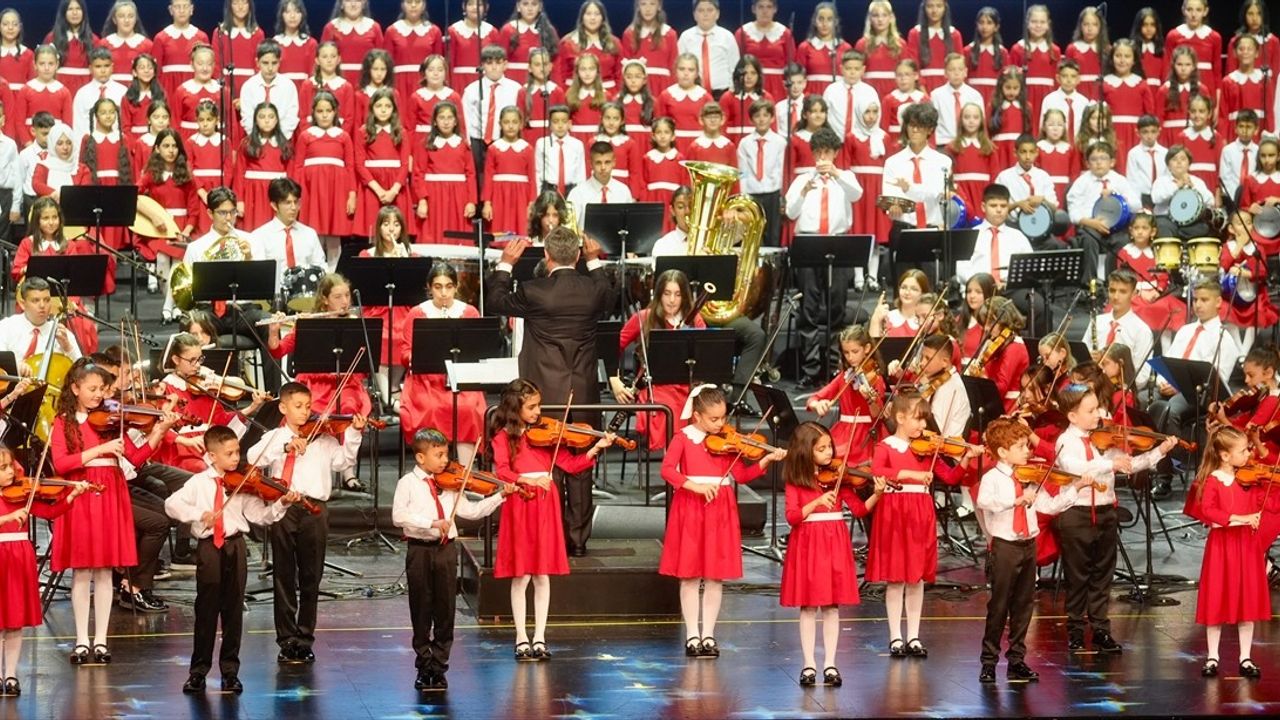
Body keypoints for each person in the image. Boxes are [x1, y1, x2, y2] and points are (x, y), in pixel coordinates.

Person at [487, 227, 615, 556]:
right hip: (583, 390)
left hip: (544, 392)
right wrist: (595, 261)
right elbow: (609, 293)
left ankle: (552, 536)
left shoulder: (534, 291)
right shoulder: (593, 289)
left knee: (550, 463)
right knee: (582, 463)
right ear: (576, 255)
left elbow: (497, 302)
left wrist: (505, 264)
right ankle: (578, 541)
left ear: (546, 256)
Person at [51, 363, 180, 665]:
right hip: (82, 493)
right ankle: (82, 639)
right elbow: (61, 464)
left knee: (105, 570)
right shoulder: (64, 421)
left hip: (110, 492)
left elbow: (135, 457)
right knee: (82, 570)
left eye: (102, 390)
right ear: (75, 389)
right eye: (92, 389)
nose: (99, 396)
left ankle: (101, 640)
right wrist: (101, 449)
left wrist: (159, 429)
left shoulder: (113, 421)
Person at [166, 425, 299, 695]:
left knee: (233, 610)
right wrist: (199, 514)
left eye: (237, 451)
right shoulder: (199, 482)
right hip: (209, 547)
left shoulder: (241, 482)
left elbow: (261, 516)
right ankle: (198, 672)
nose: (236, 458)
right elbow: (171, 504)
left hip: (235, 546)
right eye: (229, 454)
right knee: (206, 610)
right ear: (212, 456)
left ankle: (230, 672)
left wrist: (281, 504)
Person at [489, 379, 614, 660]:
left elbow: (569, 464)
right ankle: (521, 636)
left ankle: (540, 637)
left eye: (538, 406)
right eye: (532, 407)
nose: (538, 412)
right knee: (521, 575)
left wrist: (594, 449)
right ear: (514, 407)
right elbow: (502, 472)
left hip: (545, 504)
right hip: (521, 502)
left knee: (542, 574)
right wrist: (525, 480)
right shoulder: (503, 438)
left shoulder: (543, 436)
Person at [661, 384, 785, 658]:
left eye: (723, 418)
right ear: (697, 416)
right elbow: (667, 470)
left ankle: (709, 635)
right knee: (690, 575)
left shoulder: (728, 442)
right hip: (692, 506)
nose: (721, 424)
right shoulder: (683, 438)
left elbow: (740, 476)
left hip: (720, 507)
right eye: (713, 419)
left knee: (715, 576)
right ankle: (692, 634)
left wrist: (765, 461)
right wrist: (693, 486)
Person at [246, 382, 366, 664]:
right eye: (298, 407)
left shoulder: (323, 439)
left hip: (314, 510)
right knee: (284, 574)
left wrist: (354, 433)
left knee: (311, 576)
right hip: (284, 507)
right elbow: (252, 458)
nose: (305, 413)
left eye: (308, 407)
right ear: (283, 408)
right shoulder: (275, 436)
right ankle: (286, 639)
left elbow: (343, 461)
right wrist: (286, 446)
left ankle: (305, 636)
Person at [1054, 382, 1176, 652]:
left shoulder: (1105, 438)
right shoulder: (1066, 441)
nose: (1098, 414)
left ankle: (1100, 629)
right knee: (1078, 576)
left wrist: (1158, 452)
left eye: (1098, 407)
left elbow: (1130, 465)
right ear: (1073, 416)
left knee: (1102, 575)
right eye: (1091, 410)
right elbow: (1077, 468)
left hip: (1106, 512)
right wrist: (1110, 463)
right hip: (1077, 514)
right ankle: (1075, 629)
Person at [393, 428, 513, 691]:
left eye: (446, 454)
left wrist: (499, 496)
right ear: (421, 458)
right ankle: (423, 666)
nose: (445, 460)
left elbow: (471, 511)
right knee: (421, 609)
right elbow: (399, 516)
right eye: (438, 455)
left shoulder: (449, 484)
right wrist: (431, 523)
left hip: (446, 551)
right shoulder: (408, 484)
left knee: (445, 610)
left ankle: (439, 667)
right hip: (420, 551)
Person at [977, 418, 1090, 683]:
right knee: (999, 606)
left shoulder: (1029, 478)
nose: (1028, 451)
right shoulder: (992, 478)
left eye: (1027, 446)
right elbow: (985, 502)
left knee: (1024, 605)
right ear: (1003, 452)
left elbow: (1050, 506)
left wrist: (1074, 489)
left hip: (1029, 546)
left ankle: (1017, 660)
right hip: (1005, 547)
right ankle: (989, 661)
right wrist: (1015, 500)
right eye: (1020, 447)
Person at [869, 390, 978, 658]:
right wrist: (909, 473)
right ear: (900, 417)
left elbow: (950, 478)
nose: (923, 426)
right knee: (896, 579)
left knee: (916, 577)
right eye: (918, 420)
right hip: (895, 512)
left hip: (920, 512)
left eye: (925, 420)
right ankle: (895, 636)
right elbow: (878, 471)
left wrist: (965, 458)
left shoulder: (928, 449)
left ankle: (914, 636)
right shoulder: (885, 446)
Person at [781, 421, 883, 686]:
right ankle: (808, 665)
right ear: (806, 451)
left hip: (833, 542)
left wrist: (878, 493)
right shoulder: (795, 481)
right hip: (807, 542)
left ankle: (830, 664)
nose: (829, 453)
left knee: (831, 606)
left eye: (830, 447)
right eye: (822, 449)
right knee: (808, 606)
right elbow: (792, 517)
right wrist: (815, 501)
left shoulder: (839, 478)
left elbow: (860, 510)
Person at [0, 444, 91, 697]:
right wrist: (7, 519)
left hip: (18, 556)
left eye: (10, 466)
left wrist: (71, 496)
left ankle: (10, 675)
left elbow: (51, 510)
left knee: (14, 622)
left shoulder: (20, 494)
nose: (11, 472)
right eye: (3, 468)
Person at [1189, 426, 1275, 679]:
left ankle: (1245, 657)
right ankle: (1212, 656)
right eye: (1243, 450)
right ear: (1225, 456)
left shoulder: (1251, 480)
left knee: (1246, 601)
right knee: (1217, 598)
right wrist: (1241, 517)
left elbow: (1269, 503)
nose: (1249, 453)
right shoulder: (1214, 480)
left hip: (1246, 547)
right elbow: (1209, 512)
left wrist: (1272, 488)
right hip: (1222, 547)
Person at [784, 127, 863, 387]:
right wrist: (805, 190)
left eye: (827, 153)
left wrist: (837, 174)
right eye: (818, 153)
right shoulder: (801, 180)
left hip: (838, 242)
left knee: (836, 309)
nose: (822, 158)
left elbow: (857, 194)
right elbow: (792, 212)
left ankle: (833, 368)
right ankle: (811, 368)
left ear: (835, 153)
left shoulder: (845, 177)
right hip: (808, 242)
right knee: (808, 309)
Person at [398, 263, 485, 467]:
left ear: (456, 287)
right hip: (426, 380)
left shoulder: (469, 311)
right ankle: (433, 472)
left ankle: (465, 475)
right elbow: (405, 352)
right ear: (430, 288)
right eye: (438, 287)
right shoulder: (418, 313)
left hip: (460, 379)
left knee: (468, 409)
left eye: (448, 286)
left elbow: (478, 349)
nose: (444, 293)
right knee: (431, 408)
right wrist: (416, 358)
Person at [1081, 270, 1155, 388]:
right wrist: (1089, 358)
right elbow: (1081, 359)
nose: (1116, 297)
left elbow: (1141, 377)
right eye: (1112, 290)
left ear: (1134, 293)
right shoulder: (1097, 321)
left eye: (1123, 292)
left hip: (1121, 390)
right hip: (1090, 384)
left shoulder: (1142, 331)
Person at [0, 276, 81, 366]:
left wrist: (68, 348)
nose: (42, 305)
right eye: (36, 300)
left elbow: (81, 370)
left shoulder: (61, 333)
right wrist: (17, 367)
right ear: (22, 304)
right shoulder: (6, 327)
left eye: (46, 300)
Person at [238, 40, 299, 140]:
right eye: (265, 63)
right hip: (255, 141)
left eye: (274, 63)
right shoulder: (249, 86)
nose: (270, 68)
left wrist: (277, 140)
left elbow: (291, 117)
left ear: (279, 62)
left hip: (282, 140)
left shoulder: (288, 85)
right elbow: (247, 118)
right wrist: (259, 139)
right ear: (257, 62)